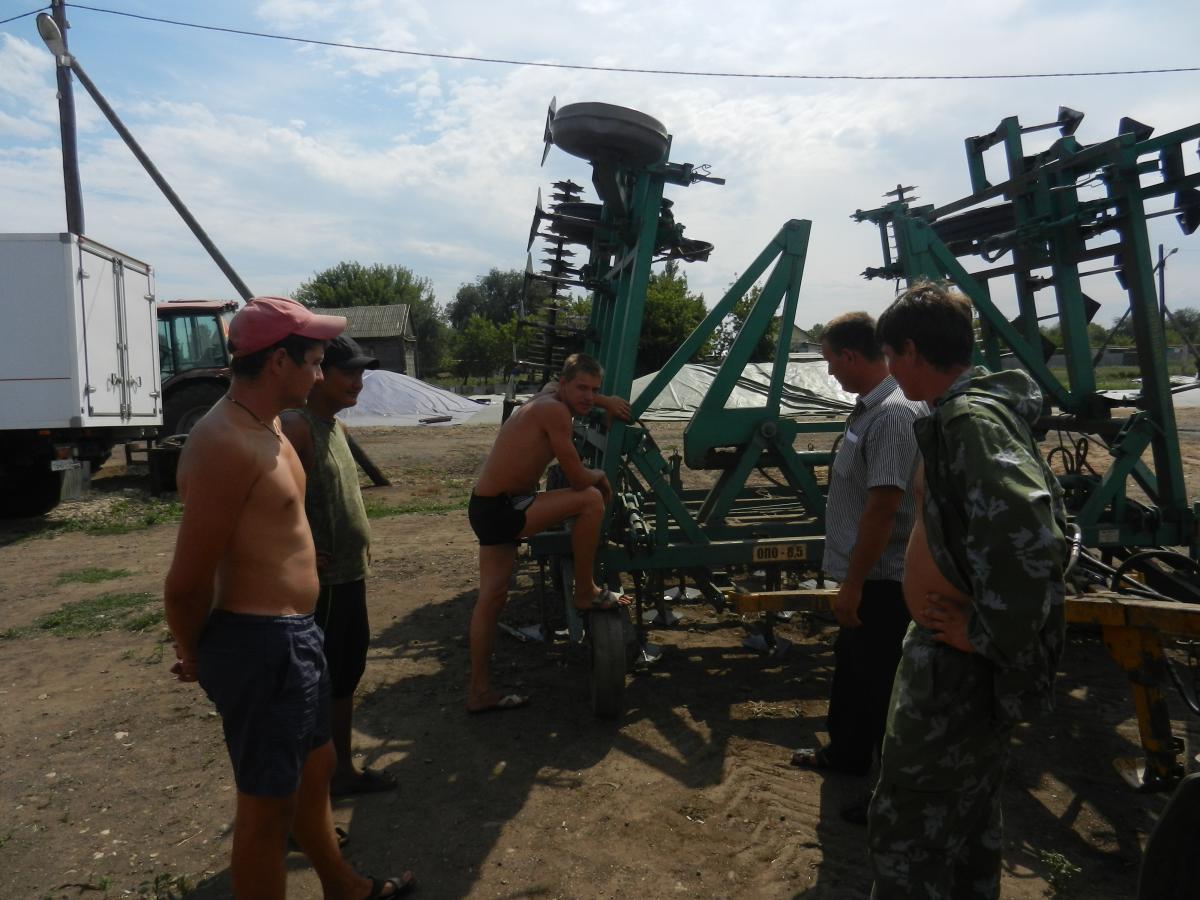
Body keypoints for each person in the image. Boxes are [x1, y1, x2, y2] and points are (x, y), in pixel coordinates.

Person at [164, 296, 413, 899]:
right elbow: (187, 579)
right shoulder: (226, 442)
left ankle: (343, 885)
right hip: (260, 642)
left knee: (315, 769)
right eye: (316, 360)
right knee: (265, 813)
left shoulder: (270, 425)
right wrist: (194, 653)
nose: (322, 373)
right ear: (279, 361)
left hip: (294, 637)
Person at [868, 282, 1067, 899]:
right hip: (953, 659)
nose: (890, 370)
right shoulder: (965, 414)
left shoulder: (970, 422)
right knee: (967, 819)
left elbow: (1030, 532)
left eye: (891, 356)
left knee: (912, 829)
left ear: (910, 349)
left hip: (956, 668)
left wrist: (985, 633)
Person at [791, 312, 924, 825]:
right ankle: (845, 755)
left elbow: (885, 508)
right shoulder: (869, 410)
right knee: (852, 668)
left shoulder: (892, 414)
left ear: (850, 356)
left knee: (885, 686)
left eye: (829, 361)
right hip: (865, 575)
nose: (829, 373)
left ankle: (892, 801)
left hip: (883, 579)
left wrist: (852, 583)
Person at [466, 352, 630, 714]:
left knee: (492, 597)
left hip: (486, 506)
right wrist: (600, 476)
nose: (589, 396)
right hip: (505, 510)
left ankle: (478, 691)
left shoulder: (548, 395)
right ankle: (584, 590)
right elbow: (577, 478)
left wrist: (602, 402)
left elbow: (568, 390)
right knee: (589, 499)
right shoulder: (556, 412)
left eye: (595, 390)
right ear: (566, 384)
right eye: (582, 389)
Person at [280, 334, 396, 799]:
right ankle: (307, 799)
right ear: (318, 373)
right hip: (321, 586)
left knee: (345, 676)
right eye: (348, 373)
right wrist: (300, 550)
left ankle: (340, 771)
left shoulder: (334, 427)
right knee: (315, 689)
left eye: (361, 373)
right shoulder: (297, 426)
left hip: (350, 577)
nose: (358, 383)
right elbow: (272, 507)